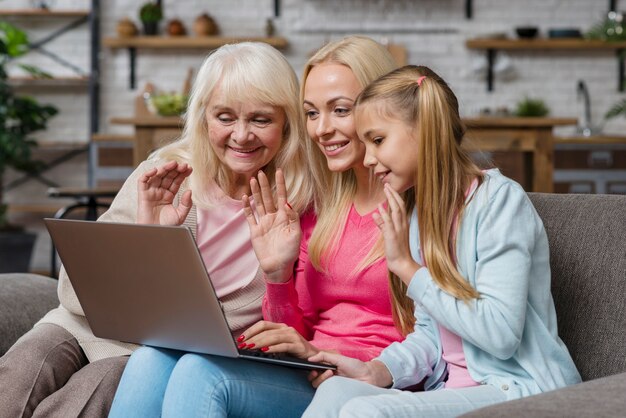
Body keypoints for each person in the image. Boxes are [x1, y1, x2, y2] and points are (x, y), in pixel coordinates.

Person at [0, 42, 313, 418]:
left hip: (160, 355)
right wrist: (148, 236)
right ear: (203, 118)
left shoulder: (298, 205)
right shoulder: (166, 172)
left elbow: (284, 324)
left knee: (87, 394)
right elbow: (73, 287)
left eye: (261, 120)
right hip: (83, 325)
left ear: (288, 123)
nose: (241, 135)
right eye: (225, 117)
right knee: (18, 373)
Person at [109, 36, 405, 417]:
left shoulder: (423, 205)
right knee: (150, 359)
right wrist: (277, 275)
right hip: (306, 369)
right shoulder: (319, 208)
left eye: (341, 110)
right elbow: (288, 334)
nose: (323, 129)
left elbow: (435, 332)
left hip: (361, 375)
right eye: (312, 113)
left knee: (201, 372)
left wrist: (360, 362)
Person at [301, 65, 582, 418]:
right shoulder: (421, 215)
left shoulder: (499, 203)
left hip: (519, 390)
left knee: (366, 412)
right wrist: (378, 370)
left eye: (377, 140)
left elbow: (500, 335)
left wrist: (407, 267)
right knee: (338, 390)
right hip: (452, 390)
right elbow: (432, 335)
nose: (368, 158)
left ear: (425, 132)